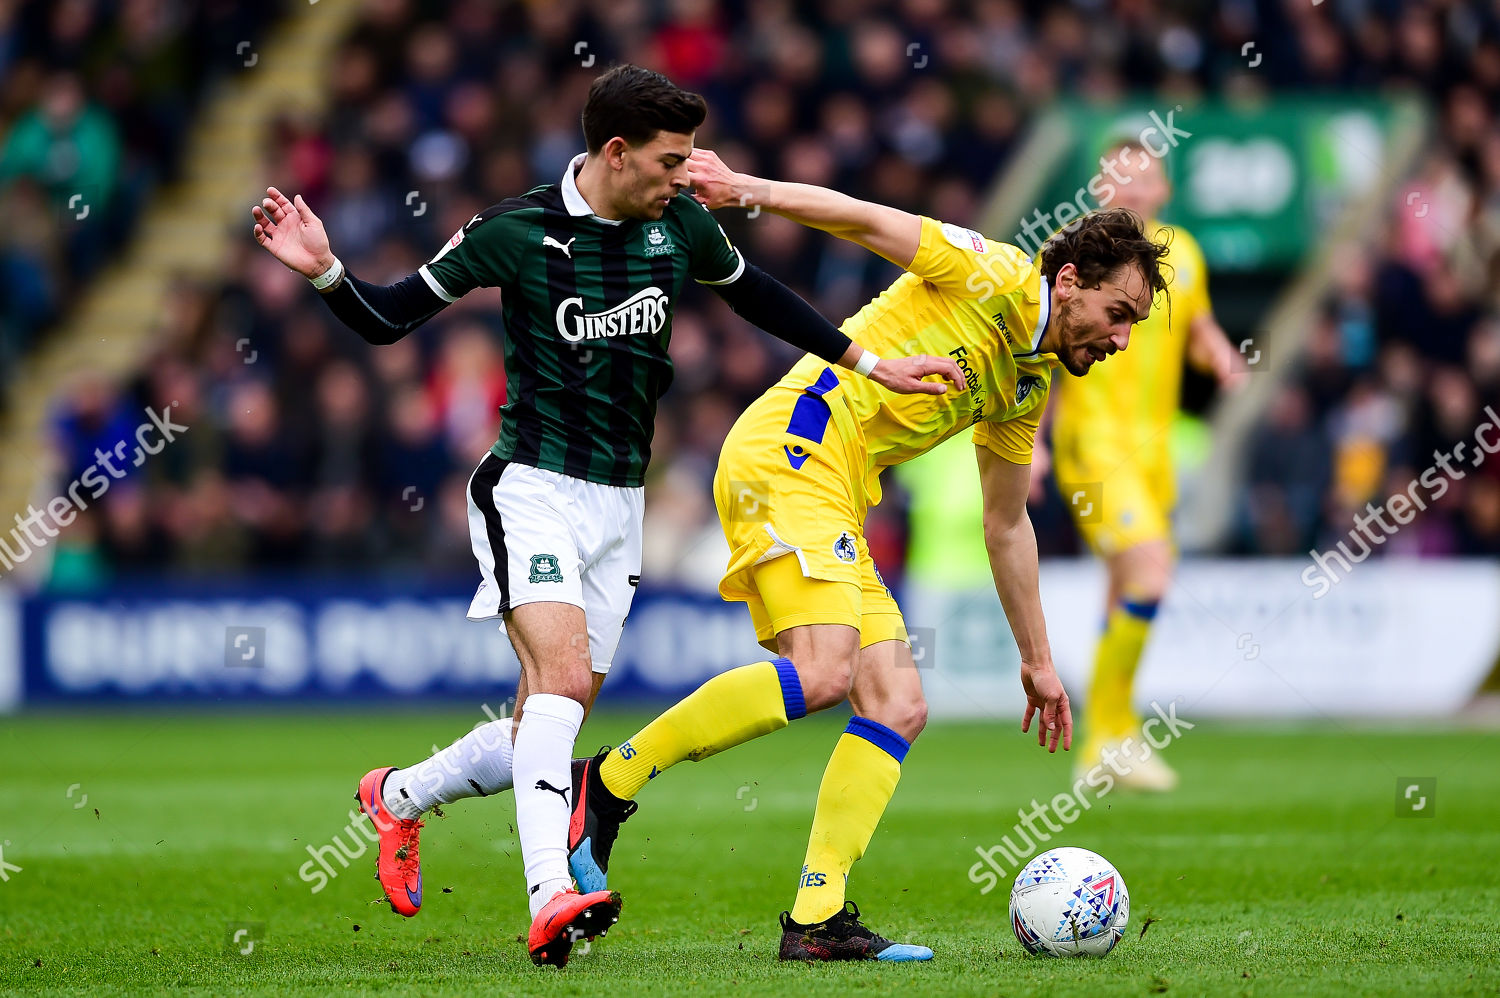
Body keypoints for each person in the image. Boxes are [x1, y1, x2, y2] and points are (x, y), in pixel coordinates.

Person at [249, 65, 960, 968]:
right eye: (672, 160)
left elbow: (756, 294)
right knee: (566, 684)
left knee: (544, 718)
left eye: (693, 157)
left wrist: (867, 362)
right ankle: (553, 895)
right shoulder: (517, 232)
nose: (688, 174)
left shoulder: (680, 223)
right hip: (530, 485)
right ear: (615, 153)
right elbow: (390, 320)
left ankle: (397, 795)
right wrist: (327, 272)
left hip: (618, 503)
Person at [565, 148, 1170, 962]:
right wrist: (748, 189)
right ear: (1067, 283)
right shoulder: (987, 271)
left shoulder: (1027, 384)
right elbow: (863, 218)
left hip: (835, 494)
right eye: (1120, 312)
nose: (1125, 338)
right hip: (789, 454)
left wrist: (1039, 660)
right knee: (824, 672)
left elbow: (1007, 524)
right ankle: (605, 784)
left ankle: (816, 919)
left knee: (894, 703)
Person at [1047, 138, 1243, 791]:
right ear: (1100, 189)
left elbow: (1197, 325)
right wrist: (1035, 436)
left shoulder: (1182, 253)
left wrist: (1220, 355)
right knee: (1150, 573)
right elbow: (1042, 342)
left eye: (1143, 179)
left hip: (1152, 453)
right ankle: (1112, 734)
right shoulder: (1071, 252)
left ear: (1162, 190)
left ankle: (1100, 747)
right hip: (1095, 446)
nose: (1130, 190)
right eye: (1118, 179)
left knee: (1126, 587)